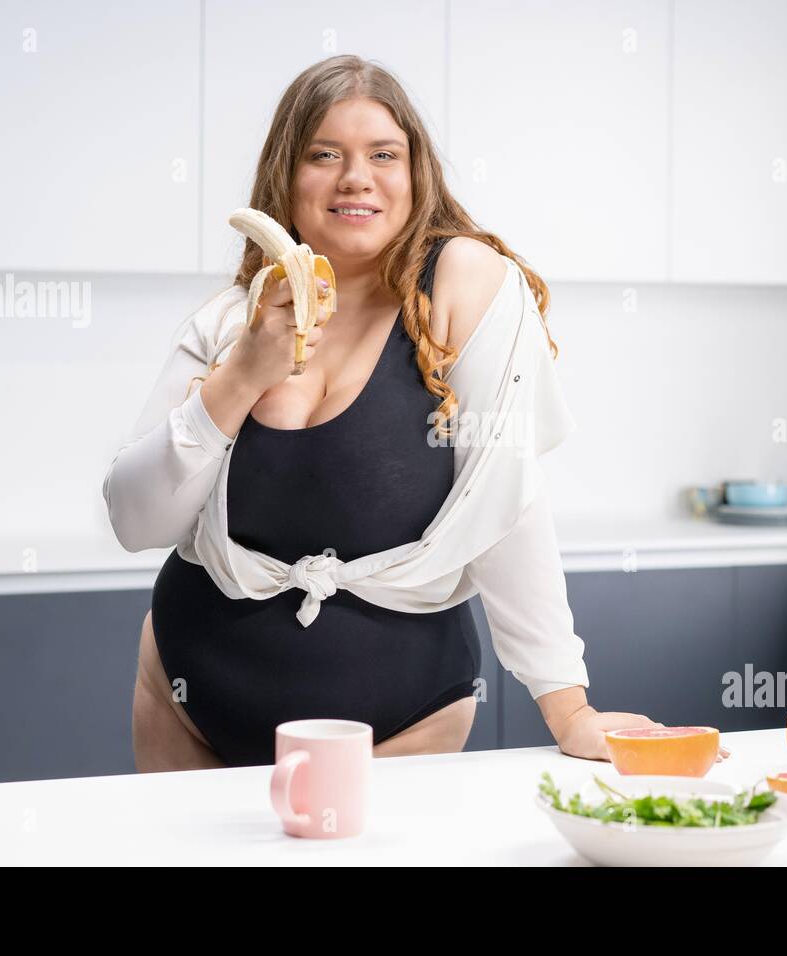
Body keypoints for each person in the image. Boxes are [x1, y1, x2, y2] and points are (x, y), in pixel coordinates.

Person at [105, 55, 664, 771]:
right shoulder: (228, 324)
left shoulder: (463, 287)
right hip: (187, 712)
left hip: (404, 729)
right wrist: (242, 375)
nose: (356, 178)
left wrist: (570, 706)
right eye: (324, 154)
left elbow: (506, 500)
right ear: (286, 175)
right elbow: (133, 520)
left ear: (415, 174)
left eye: (383, 155)